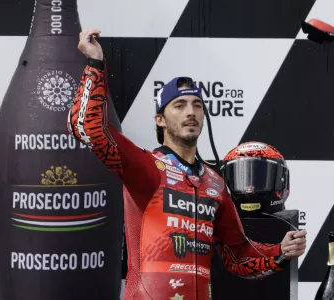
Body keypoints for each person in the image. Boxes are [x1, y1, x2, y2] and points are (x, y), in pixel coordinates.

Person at [67, 28, 307, 300]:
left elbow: (237, 257)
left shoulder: (215, 184)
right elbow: (86, 127)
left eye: (197, 105)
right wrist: (95, 64)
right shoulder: (144, 167)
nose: (190, 112)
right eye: (179, 105)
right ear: (160, 119)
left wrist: (280, 252)